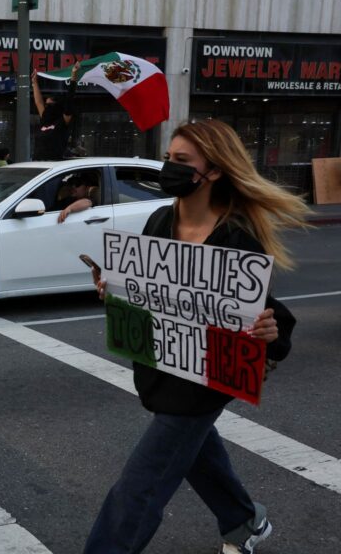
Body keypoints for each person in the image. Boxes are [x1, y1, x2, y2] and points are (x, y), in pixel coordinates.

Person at [85, 119, 305, 554]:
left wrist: (268, 333)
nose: (169, 167)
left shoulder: (237, 239)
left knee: (141, 486)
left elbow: (266, 317)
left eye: (182, 161)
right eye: (169, 158)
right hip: (161, 368)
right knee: (196, 451)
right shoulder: (159, 220)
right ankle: (243, 521)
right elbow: (150, 294)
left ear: (215, 171)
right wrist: (117, 290)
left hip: (206, 381)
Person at [31, 62, 80, 160]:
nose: (46, 106)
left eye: (49, 104)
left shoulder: (63, 121)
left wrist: (74, 75)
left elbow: (70, 98)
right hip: (38, 162)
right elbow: (38, 102)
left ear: (56, 105)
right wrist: (34, 82)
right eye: (46, 105)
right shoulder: (45, 118)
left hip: (54, 164)